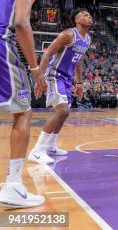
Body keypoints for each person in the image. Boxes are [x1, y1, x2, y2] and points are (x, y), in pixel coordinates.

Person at [0, 0, 47, 208]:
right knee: (23, 112)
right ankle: (14, 186)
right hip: (1, 49)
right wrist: (34, 67)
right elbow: (20, 23)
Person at [28, 9, 93, 165]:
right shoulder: (68, 35)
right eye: (85, 15)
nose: (89, 17)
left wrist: (79, 83)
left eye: (90, 15)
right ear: (77, 20)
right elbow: (47, 54)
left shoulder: (88, 39)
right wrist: (39, 77)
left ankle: (50, 147)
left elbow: (78, 61)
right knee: (61, 109)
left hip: (67, 78)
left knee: (65, 113)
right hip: (54, 74)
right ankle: (37, 151)